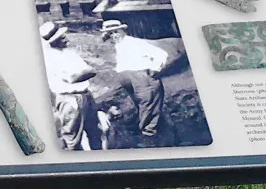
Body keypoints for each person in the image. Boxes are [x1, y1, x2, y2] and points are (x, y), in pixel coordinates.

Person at [38, 21, 103, 150]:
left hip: (85, 95)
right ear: (53, 41)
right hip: (70, 99)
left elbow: (89, 70)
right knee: (73, 138)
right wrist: (87, 72)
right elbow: (74, 78)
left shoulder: (69, 53)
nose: (66, 39)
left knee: (95, 132)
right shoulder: (51, 58)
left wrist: (87, 72)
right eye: (62, 38)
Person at [101, 19, 168, 137]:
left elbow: (161, 54)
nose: (114, 35)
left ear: (123, 30)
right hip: (127, 77)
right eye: (110, 33)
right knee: (142, 103)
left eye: (116, 32)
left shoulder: (134, 42)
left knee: (149, 102)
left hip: (141, 76)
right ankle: (147, 129)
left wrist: (155, 69)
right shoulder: (118, 45)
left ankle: (149, 132)